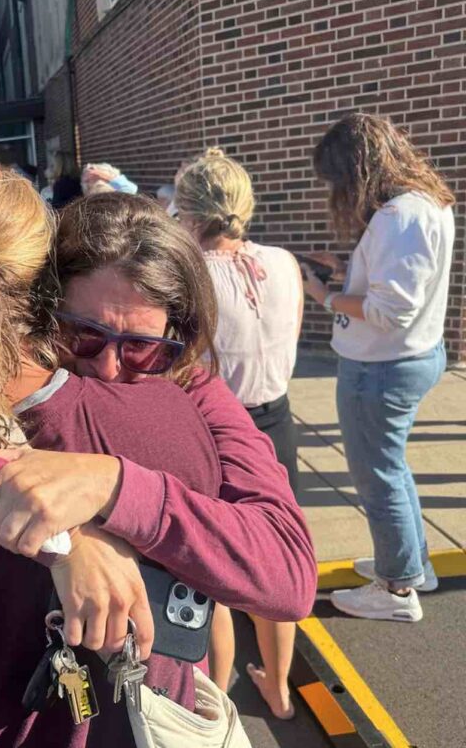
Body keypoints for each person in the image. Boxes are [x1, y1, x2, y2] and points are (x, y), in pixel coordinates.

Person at [0, 168, 316, 745]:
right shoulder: (174, 423)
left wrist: (110, 484)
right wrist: (64, 536)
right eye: (83, 335)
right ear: (41, 297)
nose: (108, 367)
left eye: (144, 348)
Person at [304, 113, 455, 622]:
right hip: (408, 358)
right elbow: (400, 285)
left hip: (381, 368)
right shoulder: (427, 203)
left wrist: (325, 296)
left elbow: (390, 312)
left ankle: (395, 590)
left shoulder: (397, 217)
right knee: (392, 469)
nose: (336, 192)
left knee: (378, 478)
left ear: (356, 169)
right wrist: (347, 270)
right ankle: (409, 565)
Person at [175, 148, 304, 717]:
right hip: (277, 417)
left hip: (218, 426)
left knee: (216, 569)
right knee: (272, 559)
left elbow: (185, 362)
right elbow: (289, 339)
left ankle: (216, 698)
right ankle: (278, 688)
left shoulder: (192, 274)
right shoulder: (284, 262)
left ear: (191, 214)